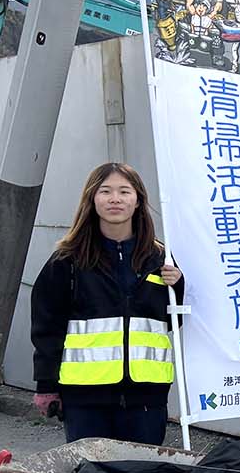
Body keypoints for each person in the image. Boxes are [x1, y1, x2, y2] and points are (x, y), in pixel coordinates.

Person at [31, 162, 183, 444]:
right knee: (93, 470)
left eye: (124, 191)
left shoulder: (160, 259)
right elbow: (47, 326)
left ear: (138, 200)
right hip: (84, 398)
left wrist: (178, 286)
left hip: (147, 397)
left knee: (143, 469)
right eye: (106, 191)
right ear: (92, 198)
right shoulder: (68, 259)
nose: (115, 199)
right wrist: (46, 385)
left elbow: (173, 321)